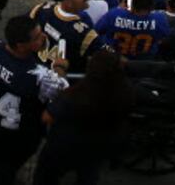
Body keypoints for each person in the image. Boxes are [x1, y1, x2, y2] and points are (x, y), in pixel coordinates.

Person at [0, 16, 67, 185]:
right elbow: (61, 90)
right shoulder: (38, 76)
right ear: (21, 46)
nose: (43, 37)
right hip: (19, 135)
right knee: (4, 170)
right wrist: (60, 68)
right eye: (37, 37)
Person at [33, 49, 136, 185]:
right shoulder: (126, 92)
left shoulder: (75, 95)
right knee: (88, 175)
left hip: (65, 146)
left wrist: (60, 72)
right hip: (98, 145)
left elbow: (47, 117)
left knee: (46, 176)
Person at [29, 0, 106, 75]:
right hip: (65, 81)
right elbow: (109, 56)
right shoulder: (84, 33)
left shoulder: (40, 9)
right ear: (68, 2)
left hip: (34, 69)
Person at [95, 0, 170, 59]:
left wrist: (109, 49)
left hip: (116, 62)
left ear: (132, 0)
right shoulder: (160, 19)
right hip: (146, 65)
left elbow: (95, 33)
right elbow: (166, 41)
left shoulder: (114, 14)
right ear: (152, 1)